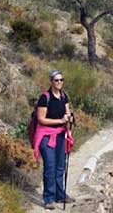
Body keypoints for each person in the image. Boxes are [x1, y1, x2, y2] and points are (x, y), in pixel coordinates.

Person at [34, 69, 76, 210]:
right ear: (51, 82)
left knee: (60, 166)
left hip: (61, 135)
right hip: (46, 136)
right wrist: (60, 121)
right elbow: (41, 119)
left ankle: (60, 195)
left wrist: (69, 118)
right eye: (56, 80)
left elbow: (67, 112)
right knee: (50, 167)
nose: (59, 82)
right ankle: (49, 199)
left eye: (61, 80)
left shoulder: (64, 96)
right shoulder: (45, 98)